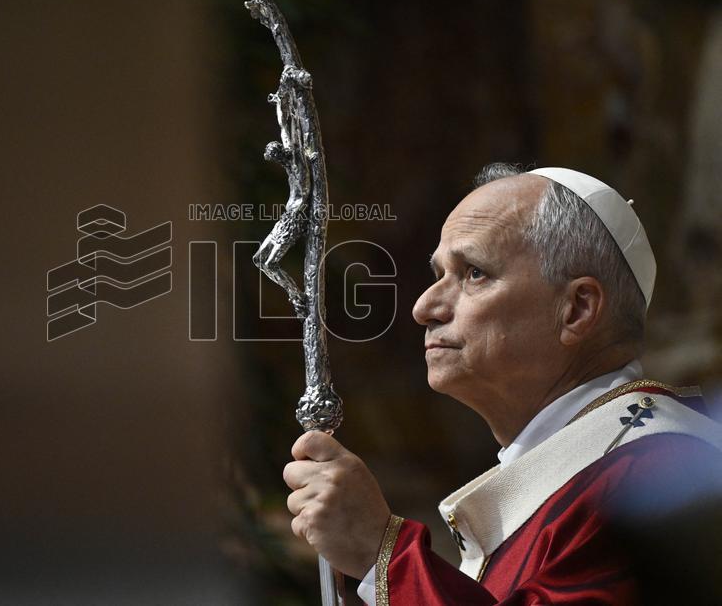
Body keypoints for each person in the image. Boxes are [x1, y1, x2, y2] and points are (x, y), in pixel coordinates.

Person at [283, 163, 722, 605]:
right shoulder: (586, 473)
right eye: (438, 275)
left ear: (577, 309)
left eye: (474, 273)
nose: (424, 307)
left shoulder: (656, 478)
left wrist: (382, 557)